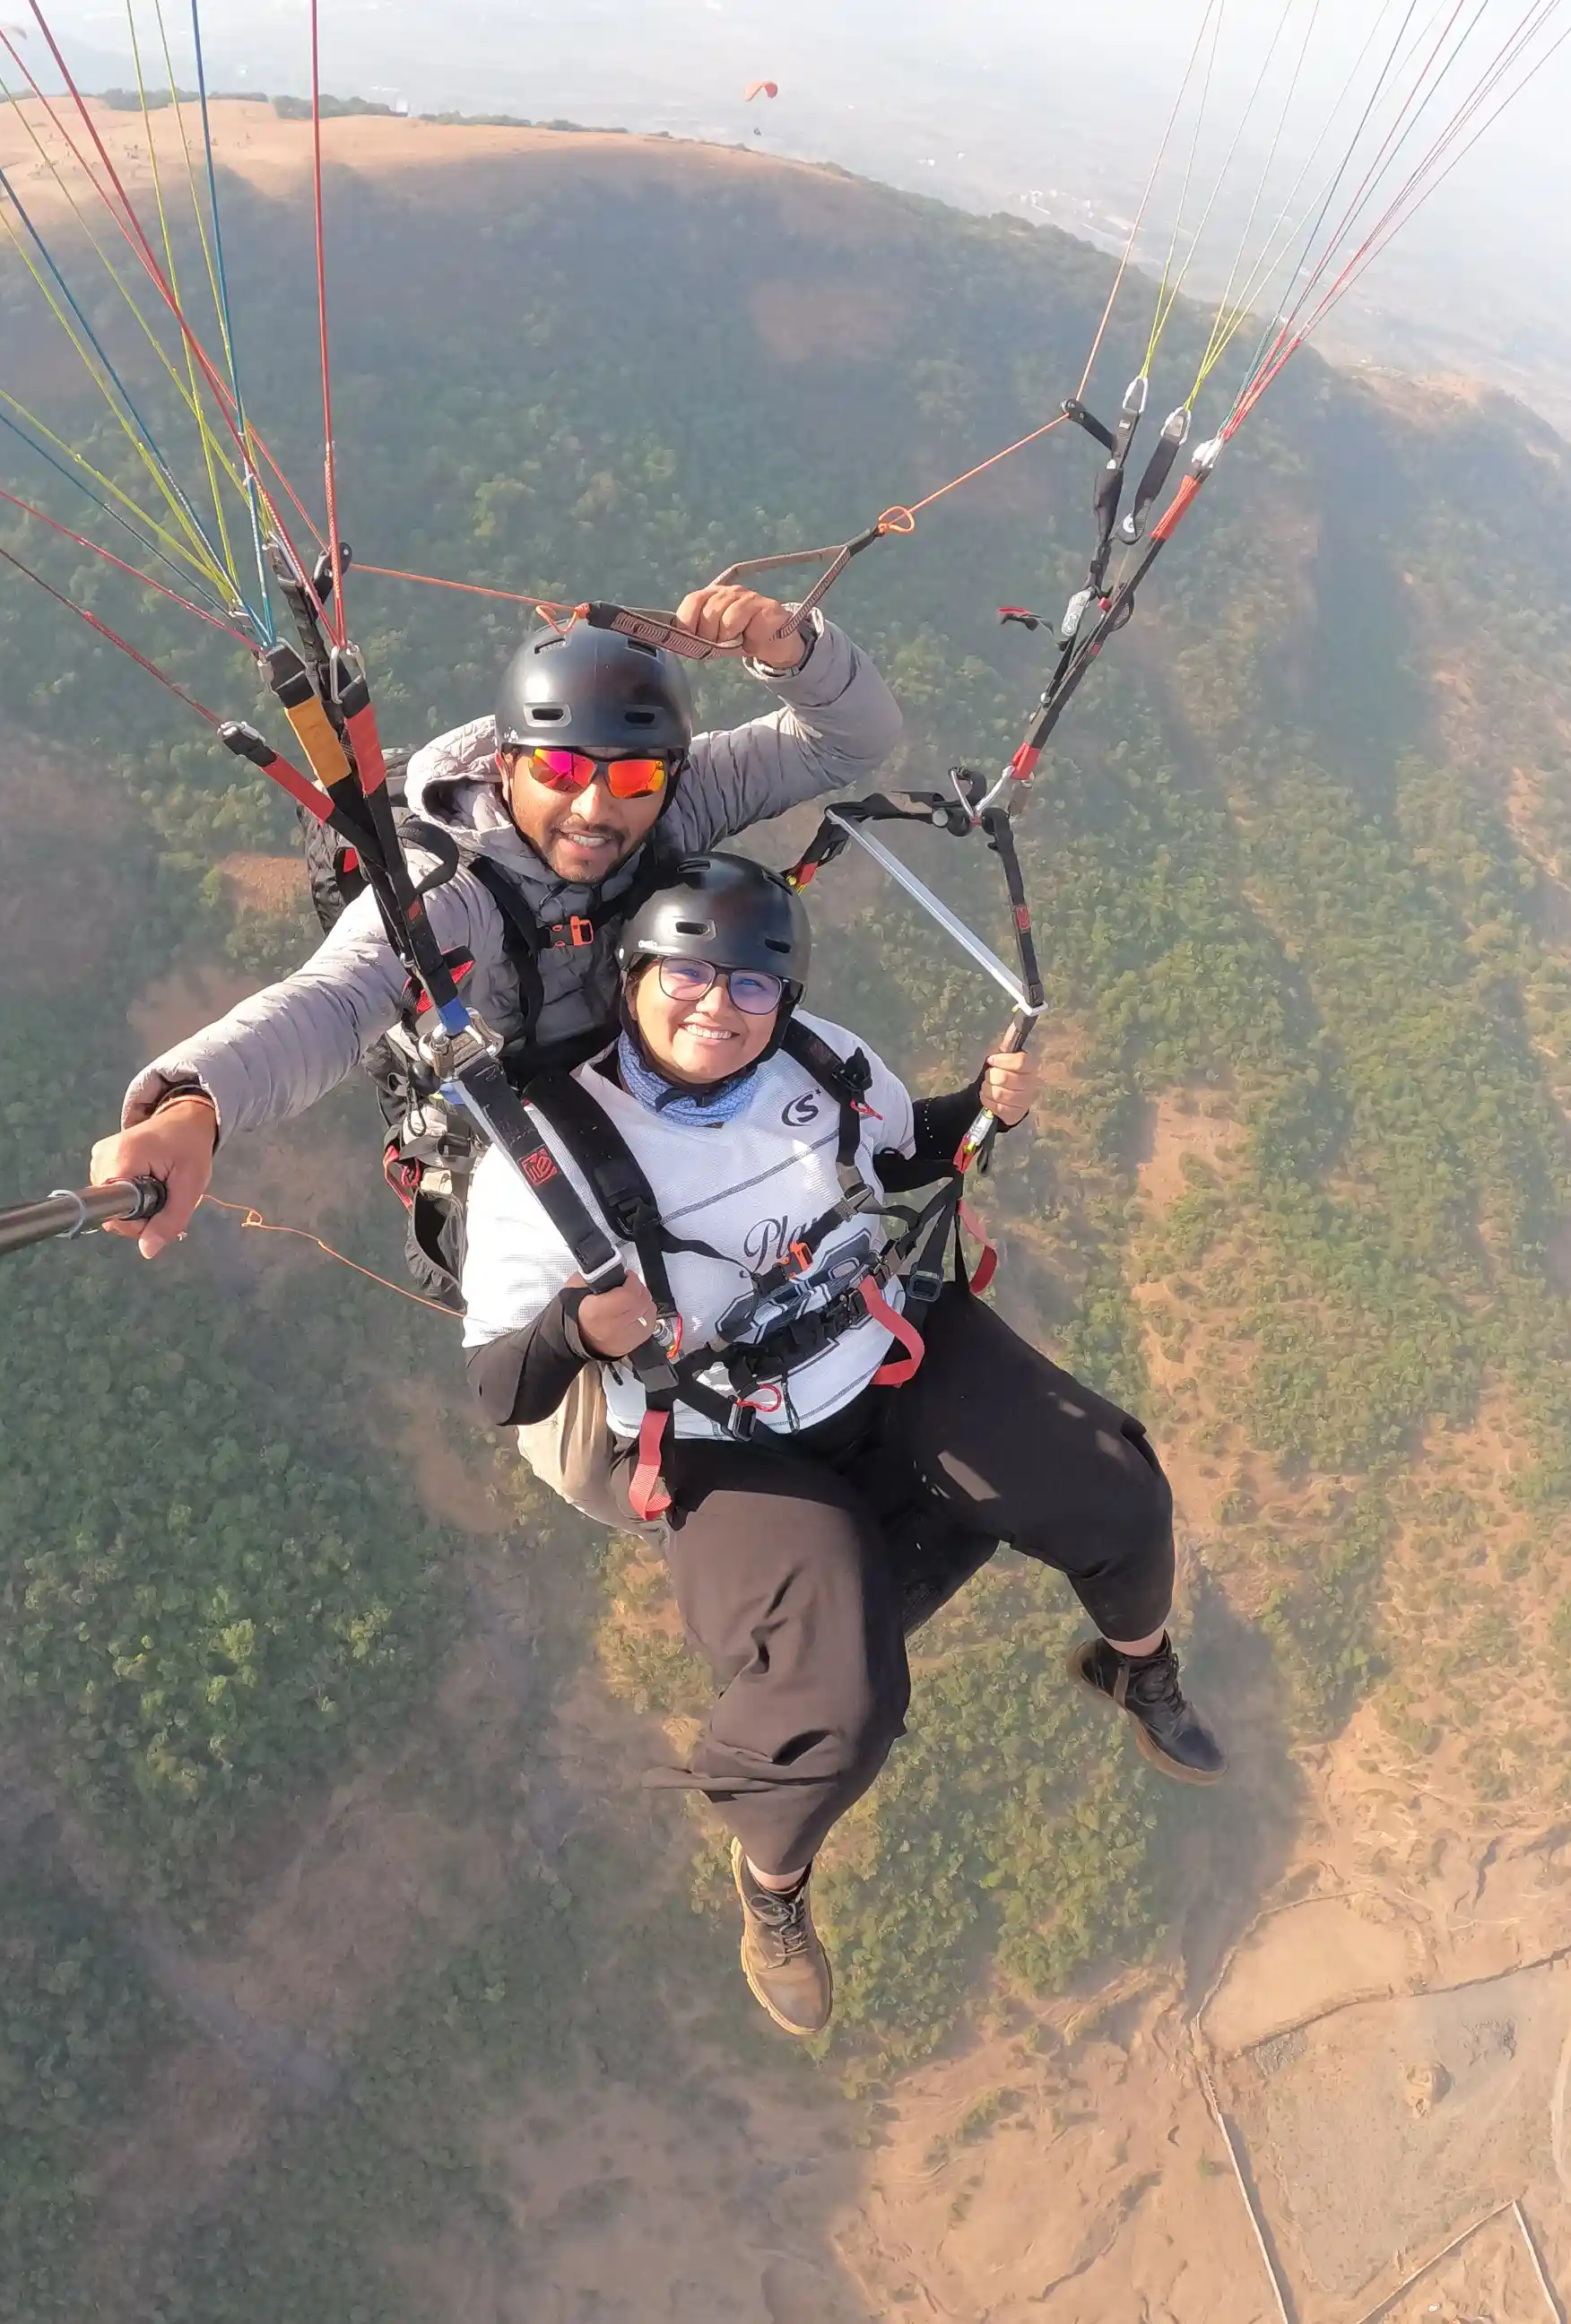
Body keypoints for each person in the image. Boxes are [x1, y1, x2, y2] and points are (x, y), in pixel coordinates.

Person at [460, 854, 1224, 2039]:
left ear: (786, 996)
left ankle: (1137, 1667)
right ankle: (773, 1889)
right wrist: (577, 1324)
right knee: (843, 1702)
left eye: (750, 986)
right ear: (632, 975)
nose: (717, 1008)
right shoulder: (546, 1162)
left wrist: (981, 1109)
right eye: (687, 977)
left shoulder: (819, 1062)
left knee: (1117, 1493)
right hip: (723, 1435)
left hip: (879, 1350)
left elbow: (894, 1151)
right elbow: (499, 1388)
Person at [89, 585, 902, 1316]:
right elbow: (338, 998)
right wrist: (197, 1104)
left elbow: (849, 740)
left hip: (650, 1086)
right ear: (506, 764)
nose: (594, 806)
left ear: (668, 774)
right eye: (557, 768)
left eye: (631, 782)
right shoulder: (450, 888)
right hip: (529, 1141)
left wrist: (796, 652)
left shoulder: (680, 797)